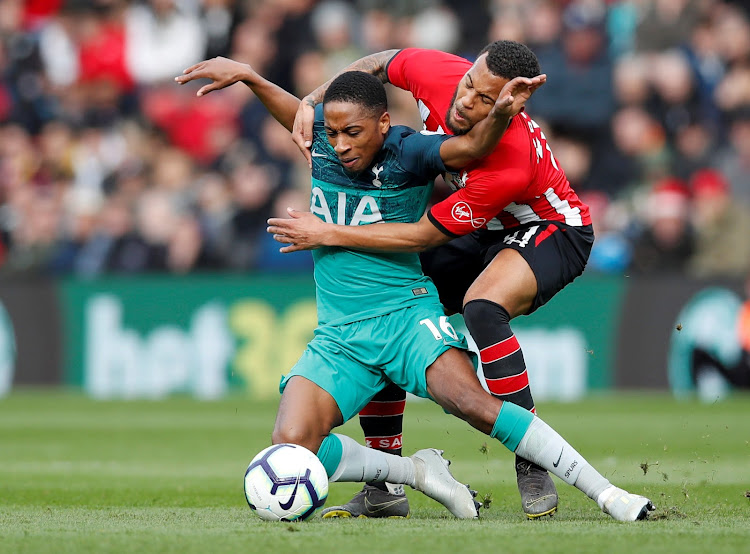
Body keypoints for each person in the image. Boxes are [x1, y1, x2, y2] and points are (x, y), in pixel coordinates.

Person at [177, 56, 653, 522]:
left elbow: (465, 154)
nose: (339, 145)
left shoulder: (410, 152)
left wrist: (327, 231)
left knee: (475, 400)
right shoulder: (326, 141)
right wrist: (251, 77)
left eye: (352, 133)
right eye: (332, 132)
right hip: (339, 336)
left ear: (384, 124)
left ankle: (607, 493)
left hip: (407, 318)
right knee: (292, 441)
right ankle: (416, 475)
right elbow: (303, 112)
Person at [269, 41, 593, 519]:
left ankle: (530, 458)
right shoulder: (436, 72)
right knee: (391, 309)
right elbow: (375, 63)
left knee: (483, 307)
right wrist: (313, 100)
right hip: (484, 228)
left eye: (485, 100)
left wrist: (329, 231)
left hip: (550, 228)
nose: (465, 100)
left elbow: (422, 234)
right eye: (469, 84)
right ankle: (386, 485)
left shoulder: (511, 159)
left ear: (511, 104)